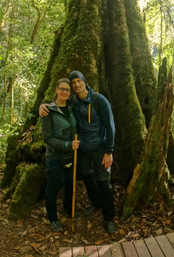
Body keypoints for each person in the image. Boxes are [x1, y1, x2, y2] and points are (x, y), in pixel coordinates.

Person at [40, 71, 117, 234]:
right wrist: (43, 105)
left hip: (99, 149)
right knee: (88, 178)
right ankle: (96, 203)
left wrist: (109, 150)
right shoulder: (73, 102)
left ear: (84, 81)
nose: (76, 85)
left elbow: (110, 126)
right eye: (72, 83)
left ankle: (109, 219)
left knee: (103, 181)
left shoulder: (99, 100)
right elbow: (56, 106)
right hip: (81, 150)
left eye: (78, 81)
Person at [41, 78, 81, 232]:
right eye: (62, 89)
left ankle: (69, 209)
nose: (64, 92)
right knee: (52, 188)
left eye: (67, 90)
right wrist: (67, 145)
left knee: (70, 184)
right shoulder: (48, 111)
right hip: (55, 157)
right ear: (56, 89)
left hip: (71, 156)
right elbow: (47, 138)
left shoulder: (72, 106)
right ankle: (52, 217)